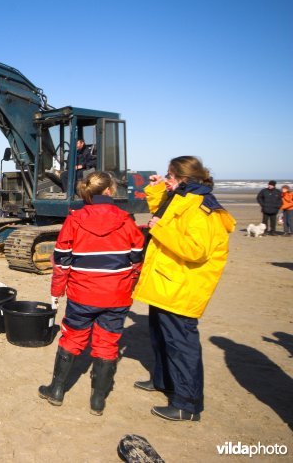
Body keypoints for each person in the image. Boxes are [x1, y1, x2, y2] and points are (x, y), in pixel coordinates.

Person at [132, 156, 235, 422]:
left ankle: (187, 404)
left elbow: (196, 250)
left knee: (181, 344)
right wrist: (157, 188)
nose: (166, 179)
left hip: (182, 287)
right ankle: (163, 381)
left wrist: (162, 230)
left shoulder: (202, 207)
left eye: (169, 176)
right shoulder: (183, 197)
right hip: (167, 282)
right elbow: (162, 213)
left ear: (183, 178)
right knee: (160, 336)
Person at [38, 171, 145, 415]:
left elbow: (62, 260)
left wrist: (57, 290)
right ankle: (97, 402)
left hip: (82, 294)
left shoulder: (75, 219)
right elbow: (137, 256)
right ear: (109, 191)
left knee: (72, 338)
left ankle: (56, 390)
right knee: (107, 344)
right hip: (117, 294)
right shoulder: (126, 219)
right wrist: (130, 282)